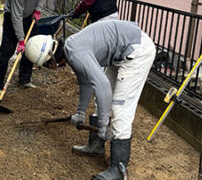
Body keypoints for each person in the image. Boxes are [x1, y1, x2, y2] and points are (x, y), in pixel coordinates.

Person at [65, 20, 156, 179]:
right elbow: (86, 81)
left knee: (120, 107)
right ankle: (96, 146)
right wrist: (80, 112)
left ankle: (118, 169)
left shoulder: (75, 52)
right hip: (120, 49)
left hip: (137, 50)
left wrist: (103, 123)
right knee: (100, 100)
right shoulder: (71, 46)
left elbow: (103, 85)